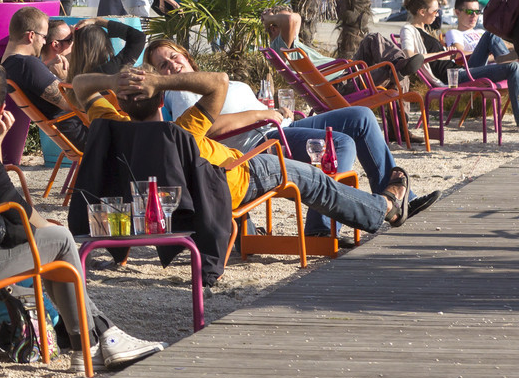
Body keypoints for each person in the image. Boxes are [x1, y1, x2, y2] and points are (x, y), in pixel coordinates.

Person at [0, 60, 165, 370]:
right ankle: (90, 346)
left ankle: (103, 336)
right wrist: (47, 227)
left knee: (51, 241)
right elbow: (19, 214)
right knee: (60, 240)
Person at [70, 66, 438, 238]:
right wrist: (160, 81)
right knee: (311, 178)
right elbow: (219, 83)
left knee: (312, 167)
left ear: (119, 99)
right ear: (162, 97)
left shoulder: (112, 123)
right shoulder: (179, 129)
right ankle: (384, 209)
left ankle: (371, 210)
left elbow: (80, 83)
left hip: (181, 200)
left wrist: (113, 81)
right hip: (233, 180)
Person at [143, 38, 428, 236]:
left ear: (185, 54)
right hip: (260, 144)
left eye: (173, 56)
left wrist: (270, 110)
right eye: (163, 65)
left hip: (280, 126)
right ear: (159, 76)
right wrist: (259, 116)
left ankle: (404, 200)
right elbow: (201, 130)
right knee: (341, 143)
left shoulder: (210, 78)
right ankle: (321, 228)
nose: (172, 65)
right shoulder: (179, 91)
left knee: (361, 117)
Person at [404, 0, 519, 124]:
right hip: (453, 76)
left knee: (490, 36)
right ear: (422, 12)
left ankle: (506, 60)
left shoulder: (425, 31)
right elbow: (410, 57)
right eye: (435, 11)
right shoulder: (408, 30)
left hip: (459, 69)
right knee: (513, 67)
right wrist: (442, 54)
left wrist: (447, 52)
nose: (437, 14)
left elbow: (439, 57)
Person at [0, 7, 87, 149]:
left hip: (67, 136)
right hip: (84, 134)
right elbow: (72, 104)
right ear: (31, 36)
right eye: (44, 37)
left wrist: (45, 69)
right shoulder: (27, 64)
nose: (45, 42)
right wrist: (65, 77)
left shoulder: (7, 64)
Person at [448, 0, 517, 67]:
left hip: (495, 67)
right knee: (490, 34)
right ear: (457, 12)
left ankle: (508, 62)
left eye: (477, 12)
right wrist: (490, 56)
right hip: (474, 70)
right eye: (469, 11)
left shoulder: (480, 32)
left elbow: (504, 45)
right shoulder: (454, 33)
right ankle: (507, 61)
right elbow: (459, 55)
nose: (474, 15)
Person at [65, 17, 145, 78]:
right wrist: (98, 21)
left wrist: (77, 37)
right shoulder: (110, 71)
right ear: (105, 47)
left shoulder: (70, 73)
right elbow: (138, 38)